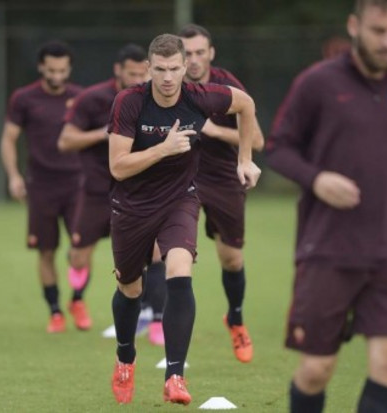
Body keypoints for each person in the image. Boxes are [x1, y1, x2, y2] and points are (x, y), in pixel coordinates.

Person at [266, 1, 387, 412]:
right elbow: (278, 149)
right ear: (354, 25)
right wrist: (317, 179)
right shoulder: (317, 83)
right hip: (328, 247)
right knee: (317, 369)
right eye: (379, 31)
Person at [107, 34, 261, 405]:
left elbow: (246, 104)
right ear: (148, 69)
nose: (167, 77)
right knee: (130, 287)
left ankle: (175, 375)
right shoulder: (129, 102)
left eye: (174, 68)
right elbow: (118, 167)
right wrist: (164, 148)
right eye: (159, 69)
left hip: (180, 199)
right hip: (133, 206)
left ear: (184, 68)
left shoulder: (200, 95)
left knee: (179, 270)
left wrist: (244, 158)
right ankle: (126, 358)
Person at [58, 44, 160, 335]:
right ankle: (77, 299)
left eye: (144, 73)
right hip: (96, 191)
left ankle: (148, 314)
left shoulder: (154, 99)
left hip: (136, 190)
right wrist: (101, 134)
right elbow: (65, 141)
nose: (138, 79)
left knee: (150, 252)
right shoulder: (91, 99)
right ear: (118, 70)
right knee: (78, 255)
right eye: (132, 73)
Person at [179, 24, 265, 363]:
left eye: (200, 52)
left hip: (223, 178)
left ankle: (236, 319)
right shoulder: (168, 85)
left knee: (231, 258)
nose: (194, 60)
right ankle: (159, 320)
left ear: (211, 53)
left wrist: (213, 130)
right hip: (180, 179)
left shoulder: (227, 86)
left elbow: (257, 141)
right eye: (187, 53)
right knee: (172, 253)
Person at [0, 40, 84, 334]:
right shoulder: (24, 98)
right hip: (41, 185)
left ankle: (78, 300)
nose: (57, 76)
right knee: (45, 251)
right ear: (41, 68)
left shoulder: (81, 97)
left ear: (69, 68)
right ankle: (55, 311)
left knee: (79, 249)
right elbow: (9, 138)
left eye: (62, 70)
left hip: (78, 183)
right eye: (51, 70)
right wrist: (13, 175)